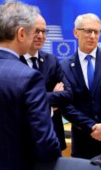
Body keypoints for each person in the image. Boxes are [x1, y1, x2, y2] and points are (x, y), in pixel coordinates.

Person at [0, 0, 61, 169]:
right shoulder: (28, 78)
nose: (37, 37)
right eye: (33, 32)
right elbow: (46, 145)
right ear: (22, 34)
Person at [61, 13, 101, 159]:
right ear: (76, 32)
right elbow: (65, 105)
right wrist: (92, 127)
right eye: (88, 31)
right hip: (82, 142)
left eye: (96, 32)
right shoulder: (64, 66)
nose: (92, 36)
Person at [20, 14, 73, 151]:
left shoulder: (51, 60)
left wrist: (35, 99)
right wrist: (50, 104)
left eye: (44, 31)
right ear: (23, 32)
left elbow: (68, 94)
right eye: (36, 31)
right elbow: (18, 100)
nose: (40, 36)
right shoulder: (12, 61)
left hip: (53, 137)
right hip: (23, 139)